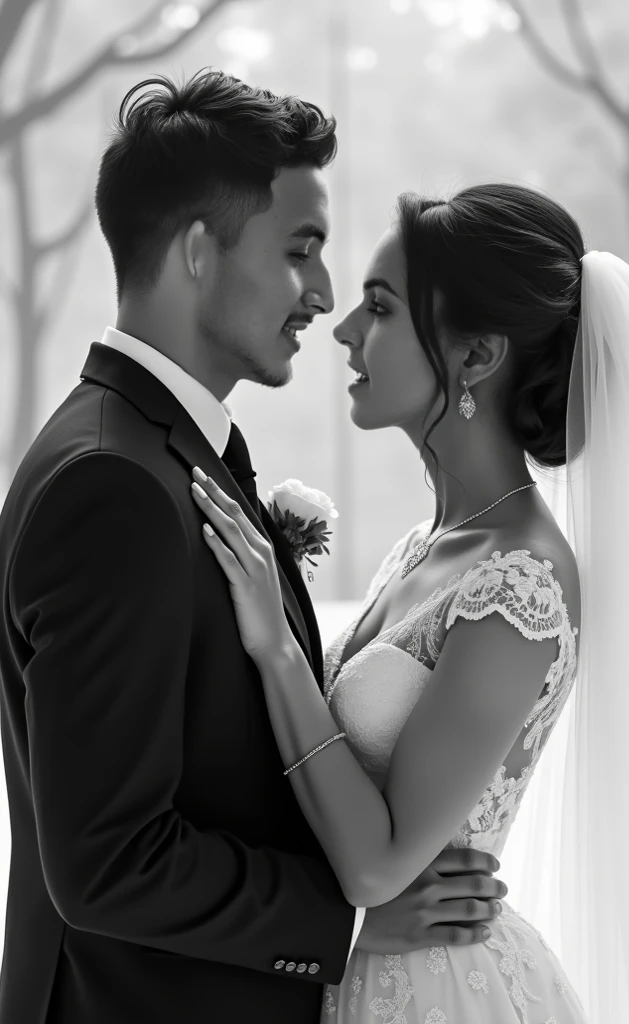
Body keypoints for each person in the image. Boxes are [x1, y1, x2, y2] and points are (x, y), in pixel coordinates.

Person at [0, 72, 505, 1024]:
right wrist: (353, 924)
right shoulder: (111, 485)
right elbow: (108, 861)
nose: (322, 294)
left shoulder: (166, 452)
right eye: (300, 251)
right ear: (199, 251)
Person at [192, 182, 629, 1022]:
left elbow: (378, 868)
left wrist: (277, 649)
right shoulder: (423, 548)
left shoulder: (522, 582)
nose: (344, 327)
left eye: (378, 309)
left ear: (477, 357)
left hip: (436, 990)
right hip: (345, 973)